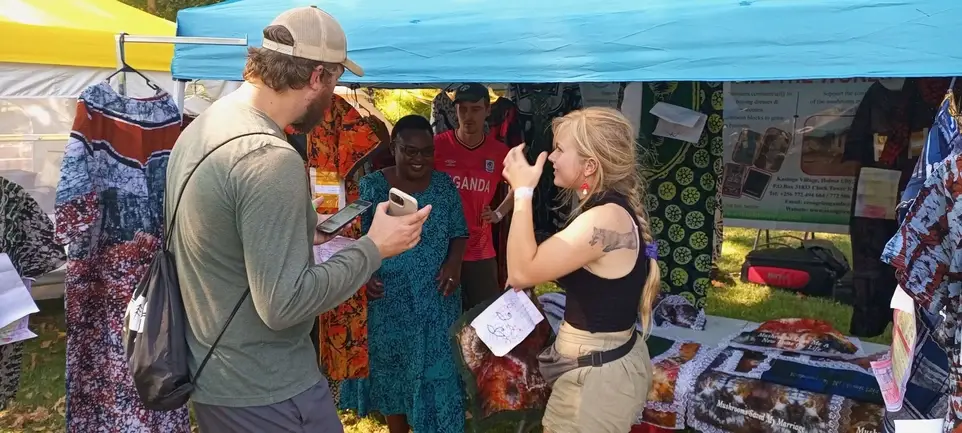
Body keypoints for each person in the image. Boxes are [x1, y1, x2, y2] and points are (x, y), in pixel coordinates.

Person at [164, 7, 431, 432]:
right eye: (336, 82)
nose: (333, 98)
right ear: (317, 77)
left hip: (218, 373)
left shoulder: (207, 127)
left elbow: (229, 239)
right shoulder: (269, 158)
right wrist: (373, 248)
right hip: (268, 388)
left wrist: (318, 233)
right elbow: (284, 304)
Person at [501, 107, 660, 432]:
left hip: (596, 382)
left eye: (560, 149)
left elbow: (520, 271)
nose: (552, 157)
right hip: (600, 368)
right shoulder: (607, 210)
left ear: (590, 165)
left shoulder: (603, 219)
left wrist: (522, 192)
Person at [339, 115, 469, 433]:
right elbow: (356, 239)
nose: (418, 159)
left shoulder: (444, 186)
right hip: (389, 303)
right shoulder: (372, 186)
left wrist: (454, 263)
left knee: (438, 375)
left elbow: (460, 232)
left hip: (437, 301)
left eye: (426, 152)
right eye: (410, 151)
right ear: (394, 148)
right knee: (393, 375)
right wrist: (365, 273)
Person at [434, 83, 513, 311]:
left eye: (476, 109)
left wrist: (499, 213)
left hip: (480, 250)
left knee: (487, 319)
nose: (468, 116)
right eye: (463, 109)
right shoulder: (438, 145)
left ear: (488, 110)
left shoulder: (499, 152)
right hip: (442, 249)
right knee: (444, 319)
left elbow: (521, 185)